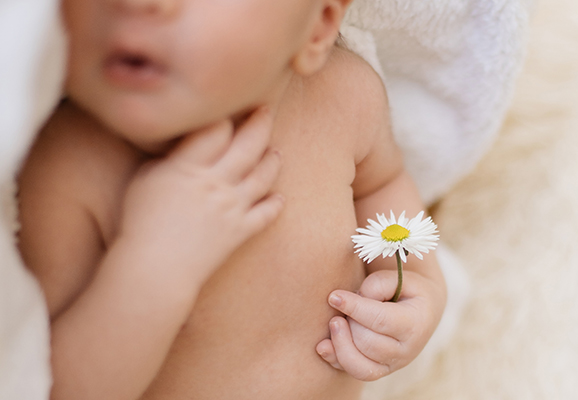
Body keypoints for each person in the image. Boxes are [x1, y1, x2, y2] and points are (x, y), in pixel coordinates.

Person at [17, 0, 447, 398]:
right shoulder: (65, 168)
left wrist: (421, 291)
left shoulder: (345, 98)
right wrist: (151, 266)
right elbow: (50, 384)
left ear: (318, 27)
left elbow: (383, 186)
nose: (136, 3)